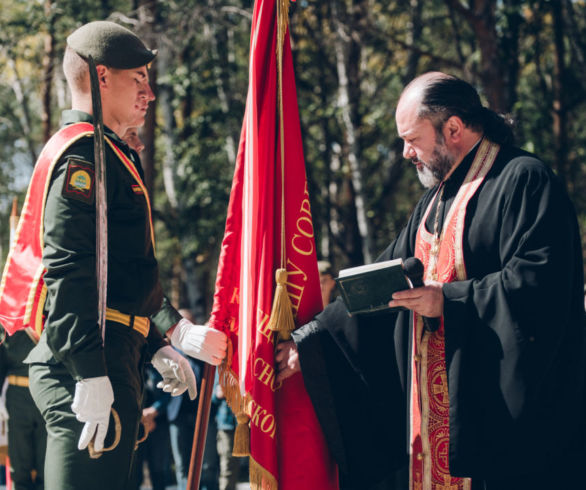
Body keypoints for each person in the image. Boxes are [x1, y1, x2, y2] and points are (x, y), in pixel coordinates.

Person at [276, 72, 585, 490]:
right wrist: (310, 342)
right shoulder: (433, 202)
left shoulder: (524, 180)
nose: (405, 153)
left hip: (501, 431)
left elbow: (541, 287)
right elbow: (382, 285)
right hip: (434, 432)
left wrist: (449, 300)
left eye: (412, 139)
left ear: (453, 128)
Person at [0, 20, 227, 490]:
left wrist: (159, 339)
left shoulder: (109, 154)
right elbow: (69, 266)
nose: (149, 93)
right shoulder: (83, 155)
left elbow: (120, 277)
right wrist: (88, 371)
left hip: (114, 357)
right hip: (85, 367)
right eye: (137, 79)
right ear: (102, 77)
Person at [0, 330, 46, 489]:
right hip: (17, 395)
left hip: (46, 394)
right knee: (19, 465)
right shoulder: (10, 317)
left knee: (46, 464)